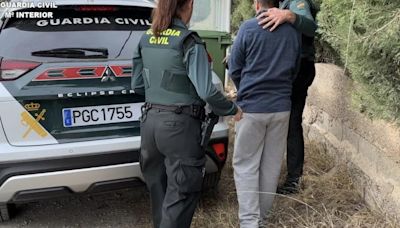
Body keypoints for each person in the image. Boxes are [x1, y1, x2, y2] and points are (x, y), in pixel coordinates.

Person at [131, 0, 241, 227]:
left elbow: (138, 85)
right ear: (188, 5)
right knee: (180, 196)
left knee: (159, 194)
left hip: (150, 125)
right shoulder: (188, 41)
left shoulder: (145, 38)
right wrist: (231, 109)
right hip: (180, 128)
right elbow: (207, 90)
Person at [229, 0, 301, 226]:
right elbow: (295, 70)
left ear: (257, 3)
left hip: (252, 108)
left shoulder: (248, 28)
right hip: (281, 108)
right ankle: (262, 218)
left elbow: (235, 67)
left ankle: (250, 222)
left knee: (246, 165)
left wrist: (244, 93)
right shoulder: (292, 33)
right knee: (271, 166)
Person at [257, 0, 318, 194]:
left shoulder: (297, 3)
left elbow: (310, 27)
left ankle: (293, 180)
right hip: (286, 68)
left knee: (291, 124)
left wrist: (289, 16)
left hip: (299, 69)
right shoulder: (281, 3)